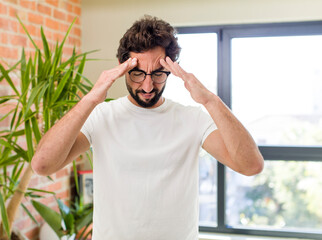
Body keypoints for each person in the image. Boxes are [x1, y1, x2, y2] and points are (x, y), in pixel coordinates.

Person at [32, 16, 264, 240]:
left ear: (170, 70)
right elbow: (43, 165)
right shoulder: (101, 116)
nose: (147, 85)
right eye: (138, 73)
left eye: (158, 73)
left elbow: (250, 165)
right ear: (123, 68)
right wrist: (91, 98)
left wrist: (209, 100)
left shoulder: (192, 119)